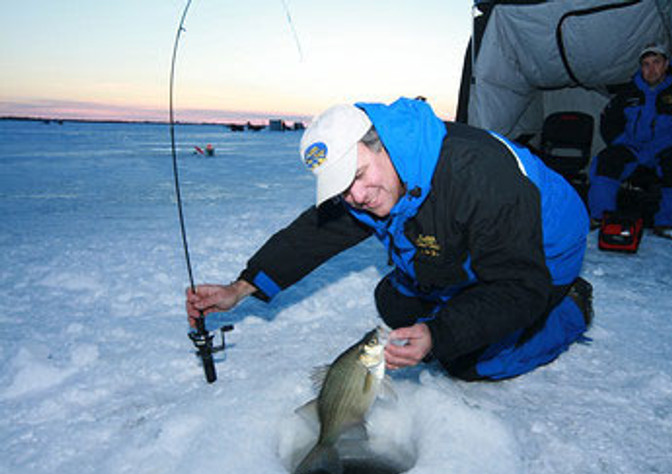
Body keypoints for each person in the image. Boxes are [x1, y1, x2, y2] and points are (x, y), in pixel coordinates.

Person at [186, 97, 592, 381]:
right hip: (459, 239)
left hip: (541, 250)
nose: (356, 197)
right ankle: (455, 303)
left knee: (465, 361)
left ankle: (570, 307)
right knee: (395, 303)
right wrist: (240, 288)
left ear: (381, 145)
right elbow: (315, 232)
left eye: (358, 176)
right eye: (342, 188)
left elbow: (517, 284)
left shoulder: (477, 177)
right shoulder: (380, 177)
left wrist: (441, 335)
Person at [588, 43, 672, 241]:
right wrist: (622, 142)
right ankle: (602, 218)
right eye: (645, 64)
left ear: (666, 64)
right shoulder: (628, 93)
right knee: (607, 160)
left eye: (656, 63)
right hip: (633, 148)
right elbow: (609, 122)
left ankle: (668, 223)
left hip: (669, 149)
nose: (651, 69)